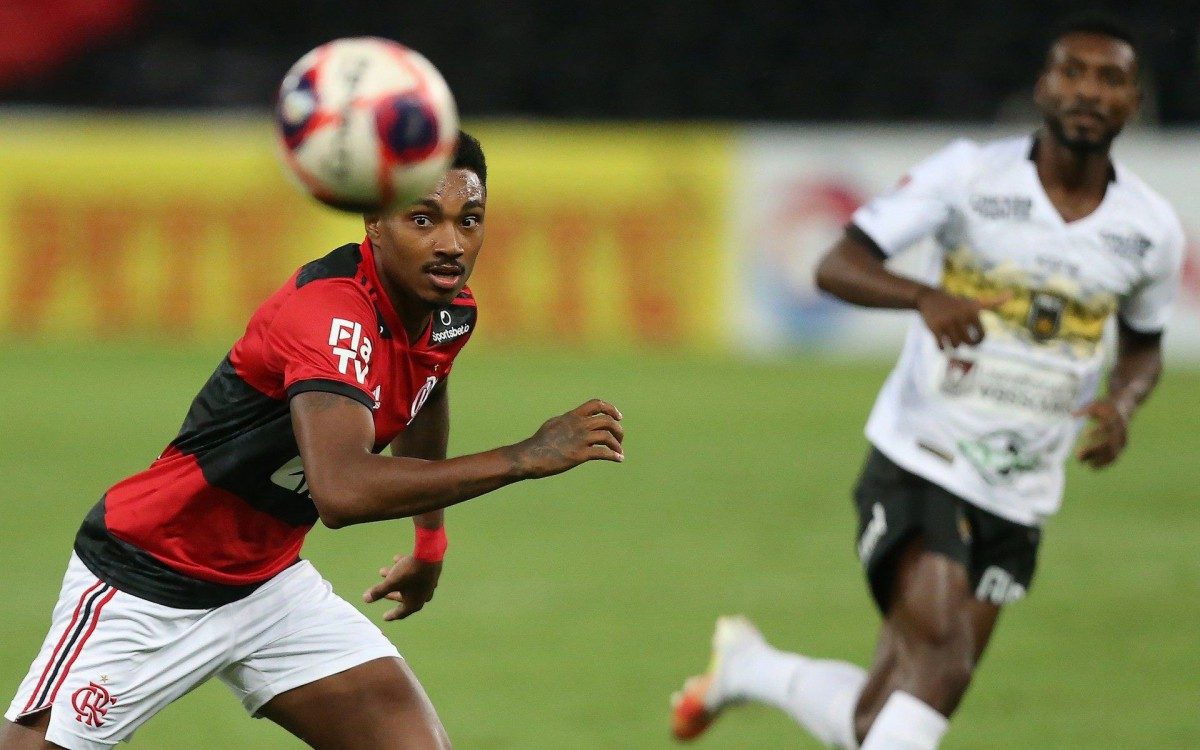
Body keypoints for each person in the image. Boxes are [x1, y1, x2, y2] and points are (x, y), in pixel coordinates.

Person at [1, 131, 625, 750]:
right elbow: (343, 492)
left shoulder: (449, 312)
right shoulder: (329, 315)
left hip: (267, 583)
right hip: (149, 576)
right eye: (422, 218)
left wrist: (429, 542)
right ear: (375, 222)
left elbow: (423, 398)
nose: (450, 244)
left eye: (470, 220)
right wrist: (522, 457)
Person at [671, 13, 1183, 750]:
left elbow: (1143, 347)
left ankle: (749, 669)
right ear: (1043, 86)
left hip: (1022, 488)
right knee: (941, 660)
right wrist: (924, 296)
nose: (1088, 91)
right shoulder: (971, 175)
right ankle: (751, 668)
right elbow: (834, 262)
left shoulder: (1151, 229)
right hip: (922, 458)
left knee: (885, 716)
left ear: (1135, 101)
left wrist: (1127, 402)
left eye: (1110, 79)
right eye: (1073, 72)